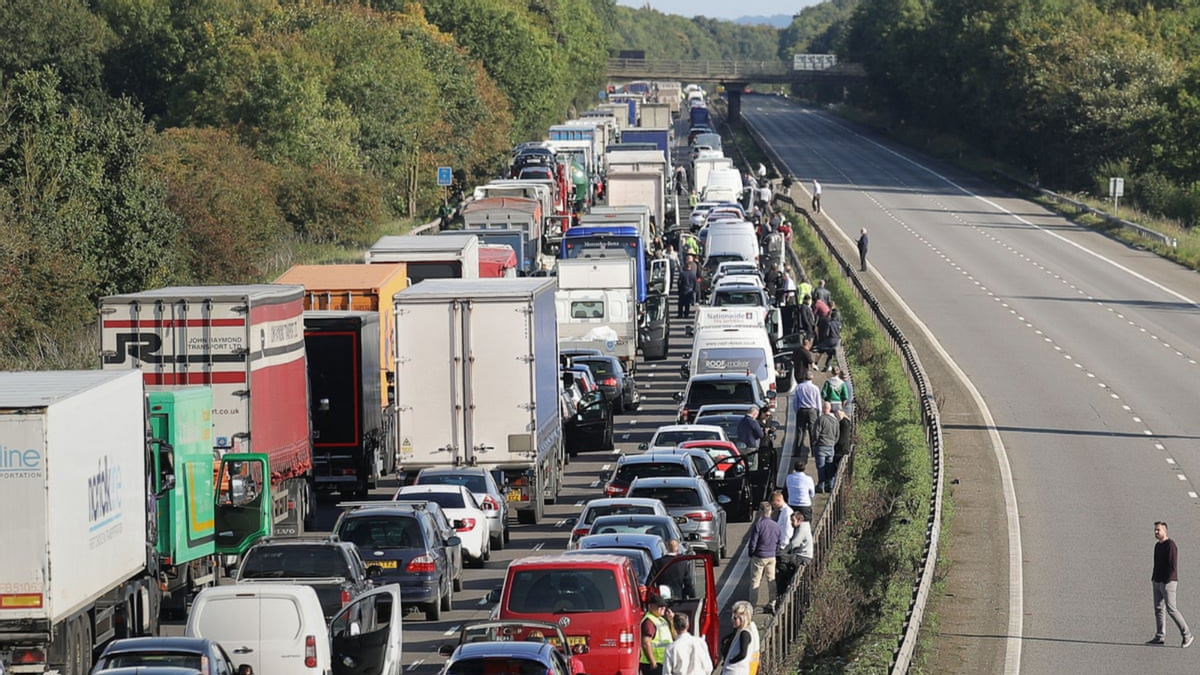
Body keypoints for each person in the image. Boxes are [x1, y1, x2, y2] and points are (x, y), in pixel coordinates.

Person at [1149, 521, 1194, 647]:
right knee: (1158, 609)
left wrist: (1167, 581)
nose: (1156, 532)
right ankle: (1160, 636)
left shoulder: (1171, 545)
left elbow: (1173, 566)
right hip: (1157, 582)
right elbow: (1156, 564)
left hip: (1168, 582)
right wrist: (1154, 579)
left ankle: (1187, 634)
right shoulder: (1157, 546)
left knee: (1171, 609)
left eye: (1158, 530)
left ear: (1165, 530)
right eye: (1155, 530)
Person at [747, 502, 780, 610]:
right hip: (771, 555)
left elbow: (753, 542)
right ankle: (772, 602)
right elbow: (779, 541)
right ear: (770, 511)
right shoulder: (776, 525)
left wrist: (751, 553)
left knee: (755, 581)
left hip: (759, 556)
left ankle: (752, 605)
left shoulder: (759, 525)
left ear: (761, 512)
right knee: (771, 579)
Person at [720, 601, 760, 675]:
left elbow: (743, 654)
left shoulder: (744, 633)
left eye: (735, 618)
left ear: (743, 618)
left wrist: (731, 661)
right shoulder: (742, 631)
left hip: (735, 671)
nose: (732, 620)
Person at [641, 594, 677, 675]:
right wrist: (653, 663)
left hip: (663, 662)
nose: (662, 608)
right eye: (659, 606)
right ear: (650, 607)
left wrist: (671, 621)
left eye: (664, 606)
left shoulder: (662, 620)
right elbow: (646, 643)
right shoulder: (649, 621)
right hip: (653, 664)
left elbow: (674, 637)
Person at [790, 369, 822, 463]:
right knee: (813, 432)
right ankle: (814, 452)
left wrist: (797, 410)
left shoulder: (799, 387)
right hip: (812, 410)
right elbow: (818, 401)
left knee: (800, 431)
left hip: (802, 410)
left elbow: (795, 401)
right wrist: (819, 413)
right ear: (812, 378)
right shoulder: (815, 388)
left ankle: (797, 452)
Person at [813, 402, 839, 493]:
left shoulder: (820, 419)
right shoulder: (835, 421)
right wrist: (833, 443)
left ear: (823, 409)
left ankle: (821, 485)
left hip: (821, 446)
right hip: (830, 446)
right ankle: (830, 484)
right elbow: (837, 434)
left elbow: (816, 433)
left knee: (821, 467)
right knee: (829, 466)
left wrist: (815, 442)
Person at [784, 459, 814, 524]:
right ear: (804, 468)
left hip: (792, 503)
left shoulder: (789, 477)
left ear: (794, 468)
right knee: (806, 523)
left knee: (791, 522)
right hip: (805, 504)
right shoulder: (808, 479)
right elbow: (812, 494)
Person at [814, 308, 842, 372]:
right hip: (836, 340)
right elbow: (840, 332)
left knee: (820, 348)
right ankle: (827, 365)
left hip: (830, 339)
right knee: (830, 353)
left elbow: (827, 333)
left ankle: (815, 362)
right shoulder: (839, 324)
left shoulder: (830, 323)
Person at [833, 408, 852, 491]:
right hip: (845, 446)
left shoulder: (843, 422)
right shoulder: (847, 422)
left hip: (841, 447)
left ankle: (838, 482)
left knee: (837, 464)